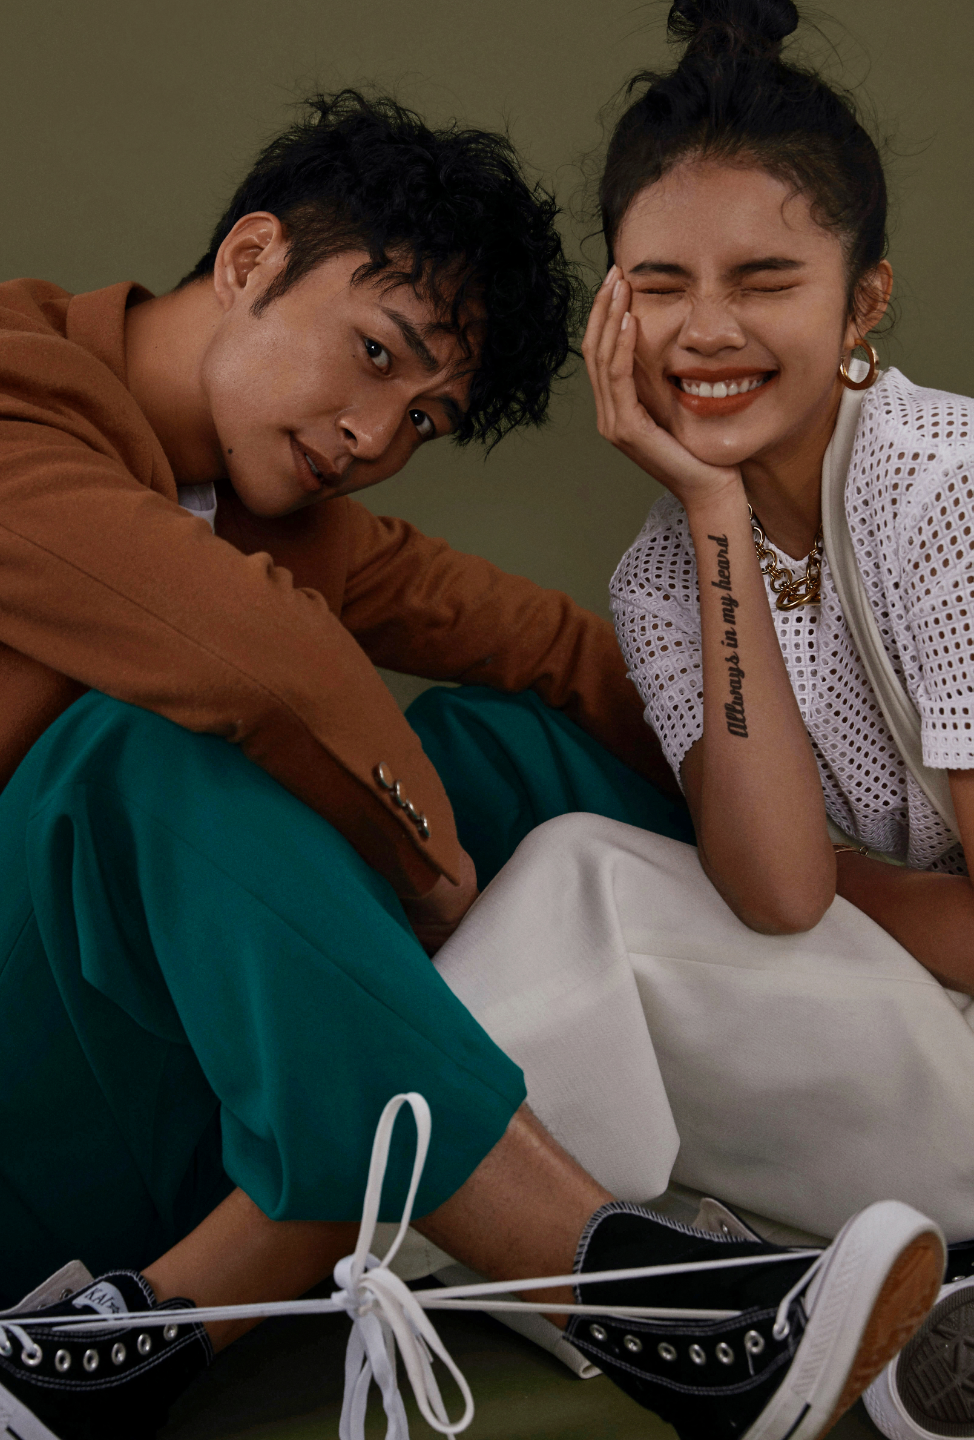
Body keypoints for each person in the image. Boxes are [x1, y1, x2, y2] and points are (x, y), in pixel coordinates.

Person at [0, 83, 942, 1440]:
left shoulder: (276, 505)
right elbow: (244, 658)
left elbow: (547, 651)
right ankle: (637, 1297)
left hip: (179, 1114)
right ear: (252, 258)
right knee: (145, 751)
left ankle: (911, 1135)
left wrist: (810, 822)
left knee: (513, 747)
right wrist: (431, 866)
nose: (377, 439)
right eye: (376, 354)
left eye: (425, 420)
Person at [409, 3, 974, 1439]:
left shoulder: (945, 494)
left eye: (766, 280)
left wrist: (850, 889)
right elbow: (781, 894)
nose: (706, 330)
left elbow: (794, 894)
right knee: (584, 879)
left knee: (587, 877)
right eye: (660, 284)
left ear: (863, 303)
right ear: (616, 311)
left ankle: (246, 1291)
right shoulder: (665, 575)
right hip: (910, 1056)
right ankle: (724, 1293)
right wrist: (715, 511)